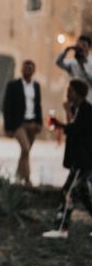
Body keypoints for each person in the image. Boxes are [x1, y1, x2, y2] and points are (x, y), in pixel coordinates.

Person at [42, 79, 92, 239]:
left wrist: (60, 125)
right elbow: (72, 128)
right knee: (85, 195)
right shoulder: (75, 108)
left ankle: (61, 229)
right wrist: (64, 119)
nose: (67, 93)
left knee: (68, 192)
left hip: (85, 160)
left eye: (70, 91)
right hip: (78, 160)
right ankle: (60, 228)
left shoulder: (87, 110)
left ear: (78, 93)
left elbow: (76, 129)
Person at [2, 60, 43, 186]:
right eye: (25, 68)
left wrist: (39, 123)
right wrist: (8, 127)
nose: (28, 71)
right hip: (18, 124)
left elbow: (38, 105)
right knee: (25, 148)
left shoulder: (36, 86)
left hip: (32, 124)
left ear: (34, 71)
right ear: (21, 70)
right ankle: (27, 179)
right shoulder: (13, 85)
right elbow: (6, 106)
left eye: (30, 68)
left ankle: (18, 177)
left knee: (25, 152)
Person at [55, 35, 92, 102]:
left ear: (89, 48)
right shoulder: (73, 62)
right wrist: (67, 49)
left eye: (84, 45)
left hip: (88, 100)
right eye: (79, 45)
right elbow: (58, 62)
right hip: (73, 100)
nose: (81, 48)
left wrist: (82, 67)